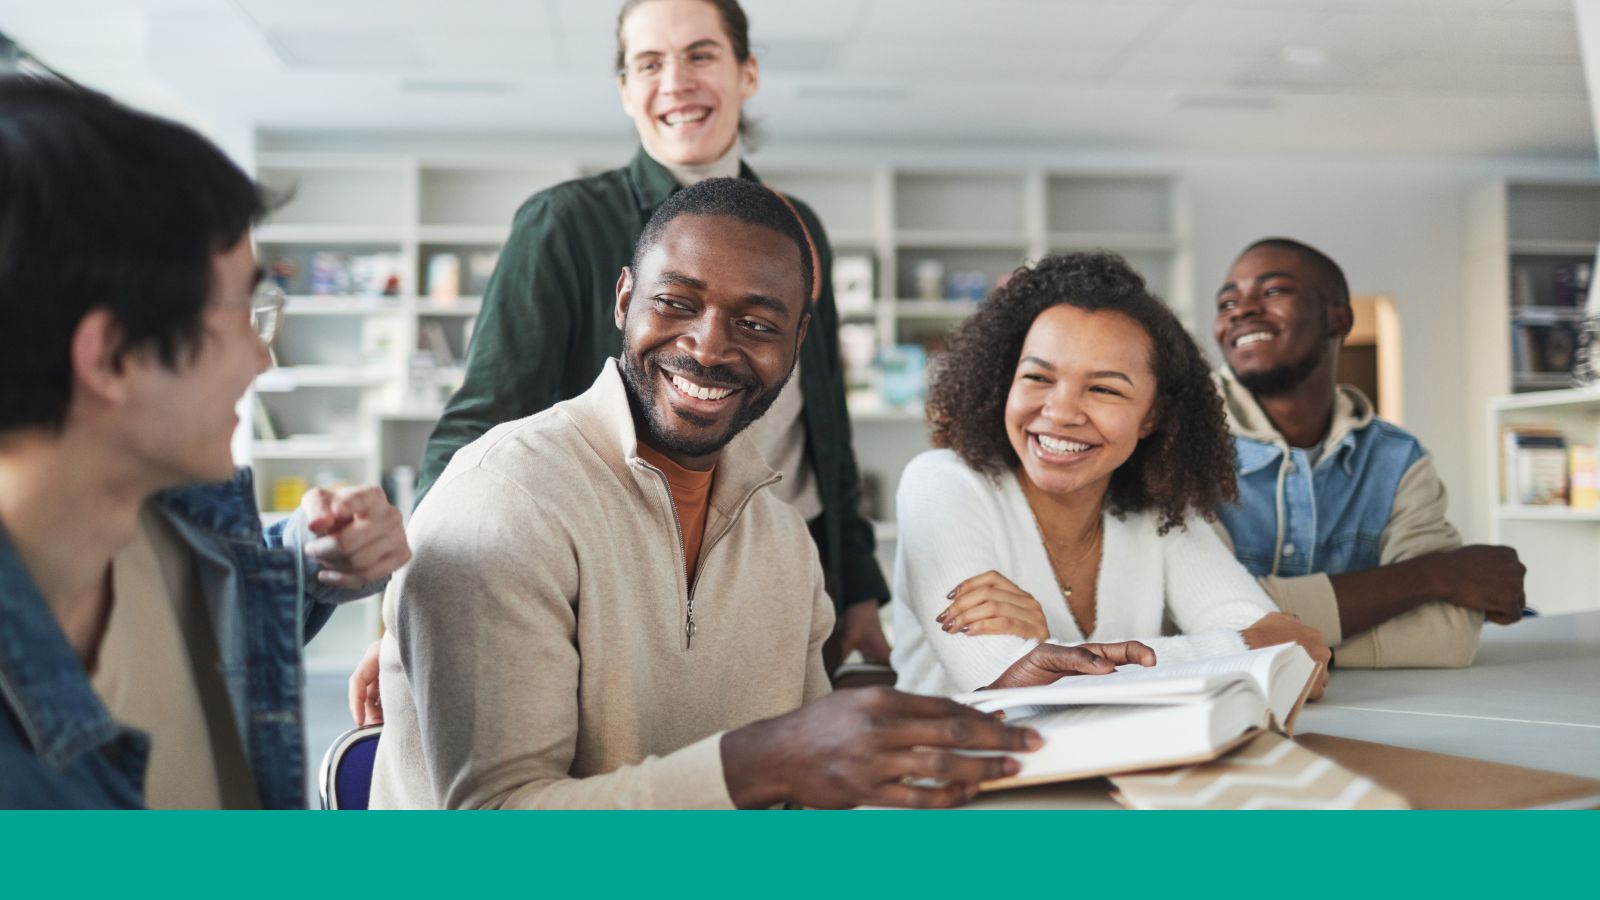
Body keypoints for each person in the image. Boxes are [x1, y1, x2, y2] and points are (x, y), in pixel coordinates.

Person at [369, 179, 1156, 809]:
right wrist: (759, 765)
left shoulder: (781, 541)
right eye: (676, 303)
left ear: (797, 345)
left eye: (755, 322)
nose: (709, 346)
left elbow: (809, 792)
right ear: (622, 301)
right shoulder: (503, 500)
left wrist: (996, 705)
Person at [412, 0, 890, 667]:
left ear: (747, 73)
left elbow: (825, 415)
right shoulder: (563, 224)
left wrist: (859, 588)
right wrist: (407, 601)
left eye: (700, 54)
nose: (676, 81)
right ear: (625, 91)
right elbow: (481, 423)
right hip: (624, 569)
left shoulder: (798, 228)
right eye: (649, 63)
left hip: (791, 560)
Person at [0, 77, 411, 809]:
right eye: (243, 313)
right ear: (112, 355)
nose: (263, 358)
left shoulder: (160, 523)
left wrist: (305, 563)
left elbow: (210, 606)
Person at [891, 253, 1330, 698]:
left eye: (1103, 388)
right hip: (951, 766)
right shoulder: (941, 483)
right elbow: (1009, 687)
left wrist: (1051, 657)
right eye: (1038, 377)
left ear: (1151, 415)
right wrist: (1240, 649)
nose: (1060, 412)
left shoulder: (1157, 511)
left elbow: (1294, 664)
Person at [1211, 238, 1526, 668]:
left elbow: (1449, 636)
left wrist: (1282, 652)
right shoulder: (1180, 447)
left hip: (1373, 714)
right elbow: (1197, 618)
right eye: (1227, 303)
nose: (1241, 310)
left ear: (1337, 318)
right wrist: (1438, 575)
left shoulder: (1399, 461)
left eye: (1272, 292)